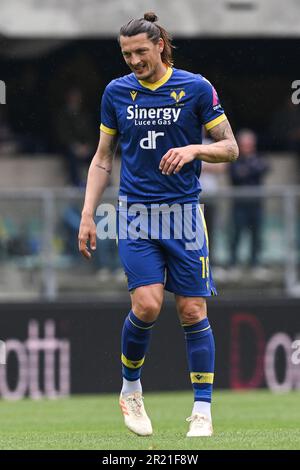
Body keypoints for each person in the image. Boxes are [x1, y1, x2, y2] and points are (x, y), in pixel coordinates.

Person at [78, 12, 238, 437]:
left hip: (184, 215)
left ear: (160, 47)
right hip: (135, 216)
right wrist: (88, 213)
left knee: (191, 309)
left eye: (140, 52)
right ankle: (131, 390)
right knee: (147, 305)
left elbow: (230, 148)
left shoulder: (195, 87)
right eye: (126, 53)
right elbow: (102, 158)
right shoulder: (116, 92)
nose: (133, 60)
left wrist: (193, 150)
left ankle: (202, 410)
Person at [229, 129, 268, 268]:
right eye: (244, 144)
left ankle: (255, 263)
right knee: (236, 234)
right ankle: (233, 263)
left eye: (249, 144)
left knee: (256, 235)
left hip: (256, 204)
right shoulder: (235, 159)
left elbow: (264, 167)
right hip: (239, 204)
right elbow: (237, 175)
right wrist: (251, 169)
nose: (247, 147)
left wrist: (248, 169)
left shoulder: (258, 157)